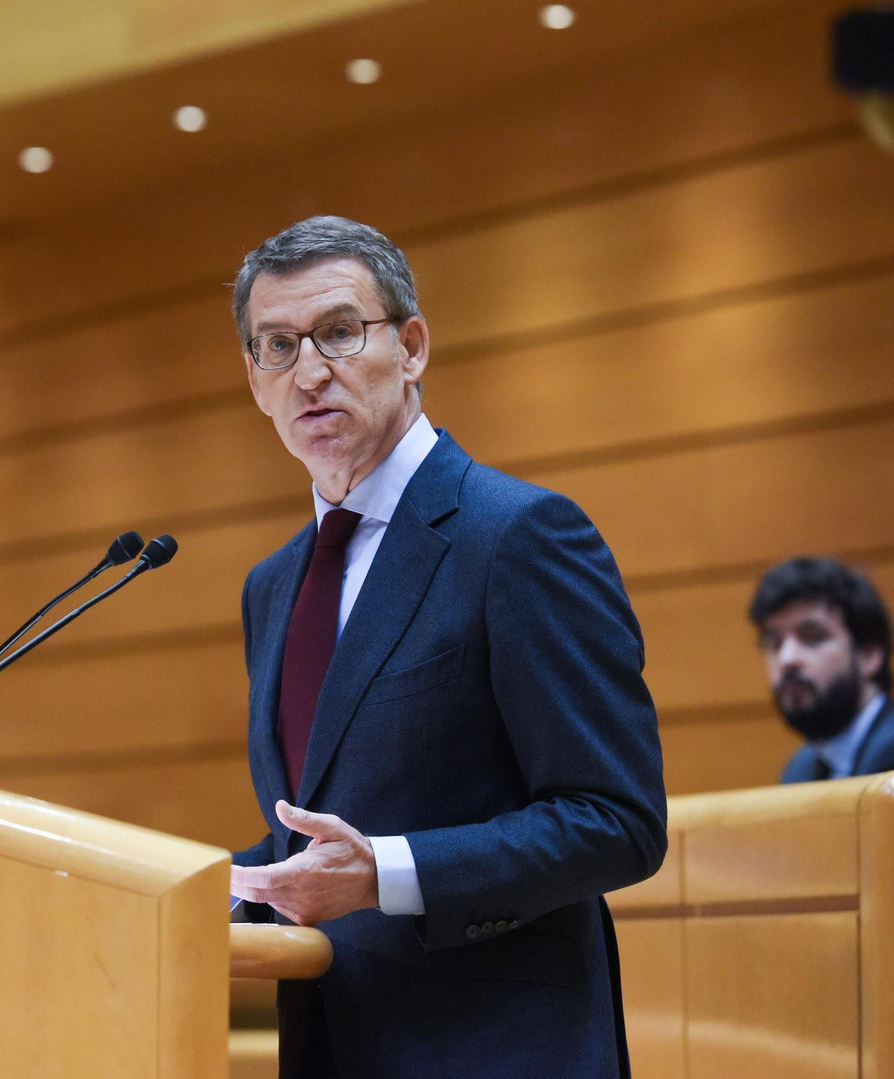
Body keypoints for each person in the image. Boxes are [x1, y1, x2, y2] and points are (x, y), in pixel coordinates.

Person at [223, 217, 666, 1078]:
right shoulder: (271, 585)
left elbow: (618, 820)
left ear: (412, 347)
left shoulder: (518, 536)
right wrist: (191, 884)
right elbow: (319, 828)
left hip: (500, 1051)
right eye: (277, 345)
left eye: (340, 332)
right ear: (255, 380)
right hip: (330, 1044)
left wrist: (384, 871)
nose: (308, 372)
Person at [748, 557, 894, 781]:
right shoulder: (799, 770)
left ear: (868, 655)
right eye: (775, 643)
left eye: (812, 637)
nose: (787, 658)